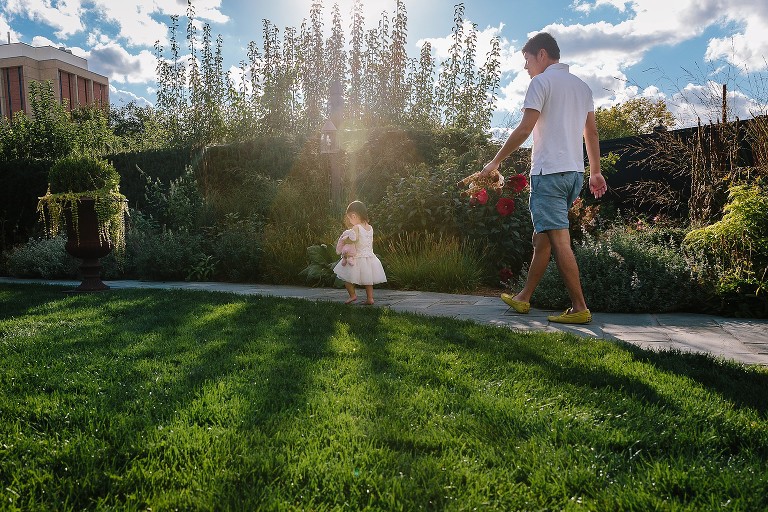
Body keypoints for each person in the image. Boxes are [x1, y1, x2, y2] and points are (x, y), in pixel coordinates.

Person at [472, 32, 607, 324]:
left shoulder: (541, 82)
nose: (526, 67)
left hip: (549, 173)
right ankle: (523, 298)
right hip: (573, 174)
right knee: (543, 238)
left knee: (558, 240)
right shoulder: (582, 87)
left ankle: (580, 307)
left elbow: (524, 130)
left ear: (542, 55)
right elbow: (592, 133)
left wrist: (495, 162)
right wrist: (595, 172)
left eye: (527, 60)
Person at [333, 201, 387, 305]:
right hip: (369, 257)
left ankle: (352, 295)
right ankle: (370, 298)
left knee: (347, 279)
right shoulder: (370, 227)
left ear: (354, 216)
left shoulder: (356, 227)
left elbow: (354, 239)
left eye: (349, 218)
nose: (349, 220)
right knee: (368, 281)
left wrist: (345, 239)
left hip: (357, 258)